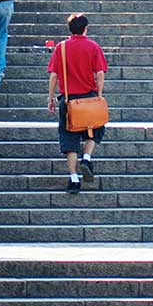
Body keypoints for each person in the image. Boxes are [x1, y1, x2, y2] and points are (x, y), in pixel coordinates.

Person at [47, 13, 108, 194]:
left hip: (69, 100)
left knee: (69, 139)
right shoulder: (93, 47)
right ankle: (87, 158)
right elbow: (100, 73)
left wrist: (51, 97)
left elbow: (54, 75)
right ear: (85, 28)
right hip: (89, 98)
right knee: (95, 129)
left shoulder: (61, 48)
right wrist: (99, 93)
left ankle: (74, 180)